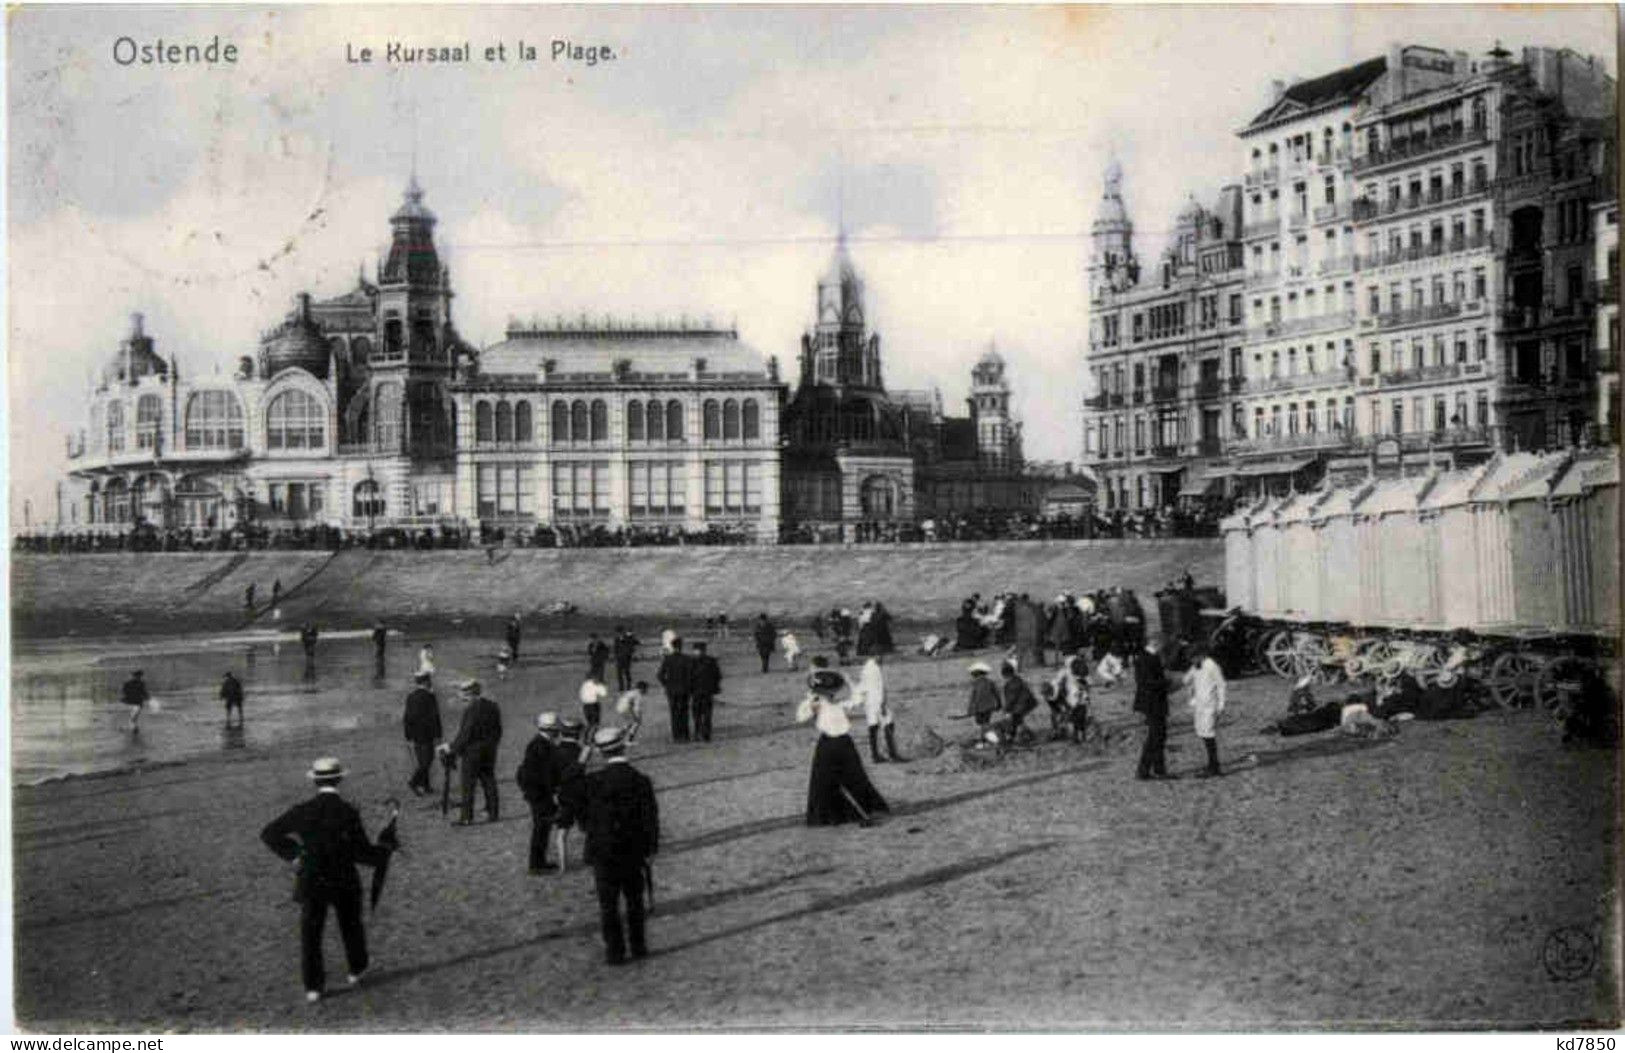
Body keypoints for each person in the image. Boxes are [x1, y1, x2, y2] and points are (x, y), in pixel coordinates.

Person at [260, 757, 392, 1003]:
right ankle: (356, 971)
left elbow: (269, 833)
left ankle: (313, 987)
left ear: (315, 782)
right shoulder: (348, 811)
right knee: (351, 926)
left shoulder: (301, 810)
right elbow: (361, 853)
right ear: (339, 780)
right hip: (343, 878)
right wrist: (384, 849)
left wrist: (295, 854)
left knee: (311, 934)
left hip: (312, 878)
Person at [576, 726, 659, 965]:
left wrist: (583, 757)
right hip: (633, 850)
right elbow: (650, 819)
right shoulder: (641, 781)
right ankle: (638, 946)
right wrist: (651, 848)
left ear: (601, 753)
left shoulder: (593, 782)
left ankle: (615, 952)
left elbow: (571, 793)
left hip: (602, 850)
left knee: (608, 905)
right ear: (623, 746)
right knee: (635, 901)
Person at [797, 660, 889, 827]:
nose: (830, 695)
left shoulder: (840, 705)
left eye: (832, 692)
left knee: (856, 777)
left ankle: (869, 808)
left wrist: (849, 681)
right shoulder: (817, 704)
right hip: (826, 744)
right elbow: (800, 717)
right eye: (827, 692)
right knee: (823, 781)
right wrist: (811, 706)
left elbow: (858, 699)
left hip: (845, 744)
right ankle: (827, 816)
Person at [442, 679, 502, 824]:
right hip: (489, 750)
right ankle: (493, 813)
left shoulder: (471, 710)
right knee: (489, 781)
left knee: (468, 785)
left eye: (464, 695)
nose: (463, 698)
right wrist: (492, 745)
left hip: (472, 753)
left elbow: (466, 734)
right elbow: (498, 730)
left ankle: (466, 817)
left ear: (469, 694)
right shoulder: (493, 706)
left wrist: (452, 748)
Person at [516, 713, 564, 874]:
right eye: (556, 730)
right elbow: (546, 774)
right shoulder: (543, 746)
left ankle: (539, 862)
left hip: (537, 792)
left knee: (543, 828)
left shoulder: (539, 743)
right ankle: (536, 865)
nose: (559, 732)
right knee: (541, 828)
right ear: (551, 730)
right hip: (539, 794)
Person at [1184, 643, 1227, 778]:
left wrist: (1221, 705)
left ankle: (1214, 766)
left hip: (1210, 704)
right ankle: (1211, 763)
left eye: (1193, 658)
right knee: (1202, 732)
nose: (1192, 661)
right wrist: (1191, 695)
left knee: (1209, 733)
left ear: (1201, 655)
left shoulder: (1212, 666)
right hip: (1200, 704)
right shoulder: (1195, 666)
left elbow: (1221, 685)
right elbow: (1186, 680)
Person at [1133, 639, 1173, 780]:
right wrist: (1166, 682)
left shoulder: (1147, 657)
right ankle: (1145, 770)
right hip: (1152, 703)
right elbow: (1146, 682)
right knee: (1155, 736)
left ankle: (1158, 769)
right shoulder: (1145, 658)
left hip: (1154, 702)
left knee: (1159, 735)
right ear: (1156, 643)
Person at [855, 656, 903, 763]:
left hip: (870, 701)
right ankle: (892, 754)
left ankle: (876, 754)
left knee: (874, 727)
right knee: (888, 725)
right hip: (876, 701)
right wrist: (882, 704)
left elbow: (862, 685)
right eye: (879, 655)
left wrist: (861, 699)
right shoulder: (874, 668)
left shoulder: (867, 667)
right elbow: (879, 687)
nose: (881, 658)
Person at [402, 672, 442, 796]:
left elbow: (406, 717)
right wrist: (438, 734)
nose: (431, 682)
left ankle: (426, 786)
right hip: (427, 734)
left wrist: (408, 735)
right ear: (425, 682)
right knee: (427, 761)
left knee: (422, 761)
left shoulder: (411, 696)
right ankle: (414, 782)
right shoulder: (430, 696)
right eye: (429, 680)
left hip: (415, 734)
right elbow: (434, 717)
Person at [656, 637, 692, 742]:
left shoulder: (667, 659)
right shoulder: (687, 659)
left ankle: (676, 736)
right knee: (684, 712)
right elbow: (691, 675)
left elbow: (660, 675)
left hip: (671, 690)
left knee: (674, 712)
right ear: (681, 646)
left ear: (672, 647)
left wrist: (666, 684)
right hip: (684, 689)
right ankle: (685, 735)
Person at [689, 641, 722, 743]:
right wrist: (715, 688)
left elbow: (687, 677)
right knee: (707, 713)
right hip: (707, 691)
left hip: (696, 692)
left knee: (697, 714)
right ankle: (706, 734)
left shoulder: (691, 662)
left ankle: (698, 732)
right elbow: (718, 676)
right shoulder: (711, 661)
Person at [999, 661, 1039, 743]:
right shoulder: (1017, 680)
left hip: (1023, 704)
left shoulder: (1012, 684)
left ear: (1006, 675)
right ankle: (1024, 734)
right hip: (1026, 703)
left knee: (1015, 719)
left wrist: (1006, 709)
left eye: (1004, 676)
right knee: (1018, 720)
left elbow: (1011, 699)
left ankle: (1018, 735)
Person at [966, 662, 1001, 728]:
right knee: (986, 721)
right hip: (989, 707)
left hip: (979, 708)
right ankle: (986, 732)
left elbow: (972, 698)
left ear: (976, 673)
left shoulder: (975, 684)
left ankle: (985, 733)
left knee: (980, 723)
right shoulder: (990, 682)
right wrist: (999, 704)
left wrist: (970, 709)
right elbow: (997, 694)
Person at [612, 626, 640, 692]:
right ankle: (621, 687)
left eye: (620, 632)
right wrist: (615, 657)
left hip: (627, 658)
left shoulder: (628, 638)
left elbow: (636, 643)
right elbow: (615, 649)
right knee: (619, 674)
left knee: (627, 672)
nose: (619, 634)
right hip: (620, 658)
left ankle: (628, 686)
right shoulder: (617, 639)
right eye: (618, 632)